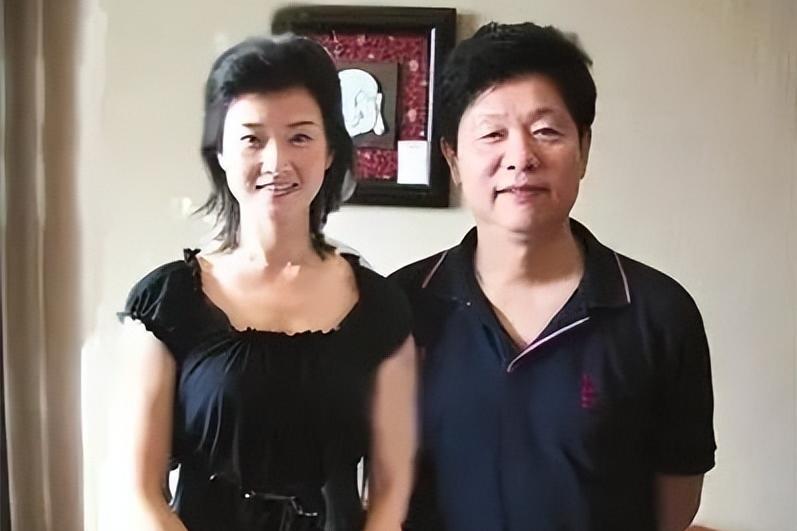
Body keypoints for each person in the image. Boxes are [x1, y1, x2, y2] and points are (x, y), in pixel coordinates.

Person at [391, 22, 715, 531]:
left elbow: (674, 504)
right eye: (492, 134)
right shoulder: (397, 308)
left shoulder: (659, 314)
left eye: (546, 131)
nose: (521, 157)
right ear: (453, 158)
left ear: (583, 148)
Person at [113, 35, 416, 531]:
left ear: (330, 151)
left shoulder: (381, 307)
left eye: (300, 137)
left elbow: (390, 489)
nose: (277, 162)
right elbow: (140, 491)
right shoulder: (167, 304)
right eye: (252, 139)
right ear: (221, 153)